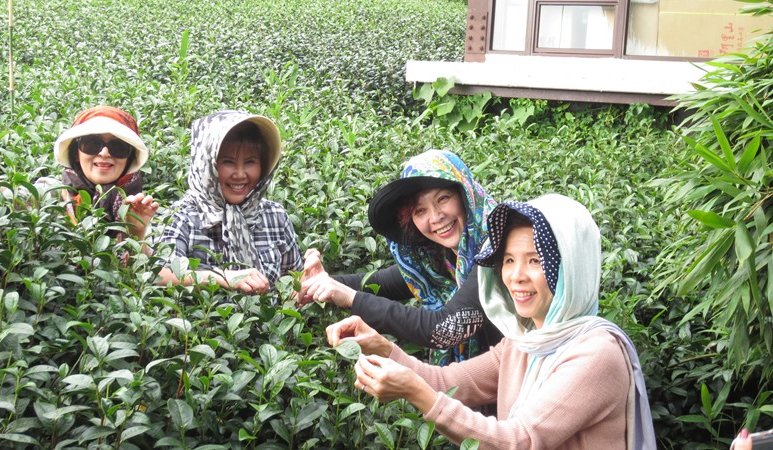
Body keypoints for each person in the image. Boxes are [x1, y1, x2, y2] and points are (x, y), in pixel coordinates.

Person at [326, 194, 657, 449]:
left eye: (535, 260)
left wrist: (416, 393)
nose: (516, 276)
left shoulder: (596, 353)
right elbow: (447, 382)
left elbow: (519, 440)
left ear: (571, 267)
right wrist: (383, 349)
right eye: (509, 260)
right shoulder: (524, 341)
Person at [297, 149, 498, 365]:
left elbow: (445, 328)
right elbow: (382, 282)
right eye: (420, 211)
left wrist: (351, 298)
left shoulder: (498, 247)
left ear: (465, 193)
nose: (435, 217)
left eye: (443, 199)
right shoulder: (443, 258)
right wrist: (319, 282)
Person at [154, 110, 302, 294]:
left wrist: (311, 282)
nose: (240, 174)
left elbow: (293, 284)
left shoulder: (275, 216)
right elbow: (159, 274)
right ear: (207, 164)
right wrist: (222, 278)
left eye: (250, 162)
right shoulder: (181, 217)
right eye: (228, 162)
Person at [0, 106, 158, 242]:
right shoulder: (52, 192)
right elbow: (11, 200)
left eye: (118, 147)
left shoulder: (139, 208)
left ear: (129, 157)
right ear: (76, 152)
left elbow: (143, 271)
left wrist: (136, 233)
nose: (104, 153)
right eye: (91, 144)